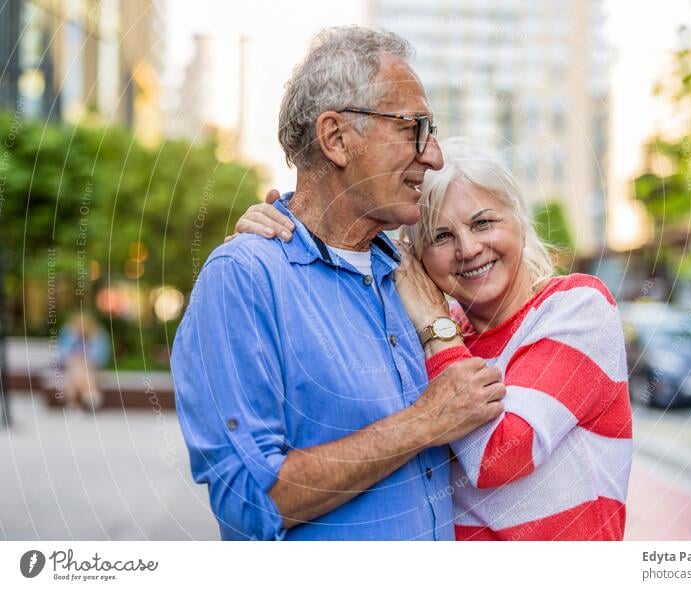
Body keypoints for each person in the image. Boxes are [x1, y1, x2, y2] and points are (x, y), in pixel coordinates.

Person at [171, 27, 506, 541]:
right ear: (336, 139)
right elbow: (248, 499)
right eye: (414, 128)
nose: (433, 156)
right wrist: (424, 422)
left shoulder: (413, 273)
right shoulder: (244, 279)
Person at [232, 137, 633, 540]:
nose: (469, 248)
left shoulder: (576, 307)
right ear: (417, 258)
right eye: (441, 237)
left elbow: (499, 455)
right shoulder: (433, 337)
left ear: (519, 224)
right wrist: (272, 241)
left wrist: (433, 322)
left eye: (483, 223)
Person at [58, 311, 109, 410]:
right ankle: (90, 395)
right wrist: (73, 337)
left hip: (89, 367)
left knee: (78, 371)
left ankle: (72, 403)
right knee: (76, 369)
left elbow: (99, 357)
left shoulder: (97, 336)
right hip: (73, 366)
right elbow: (63, 355)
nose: (81, 328)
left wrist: (86, 361)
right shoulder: (69, 335)